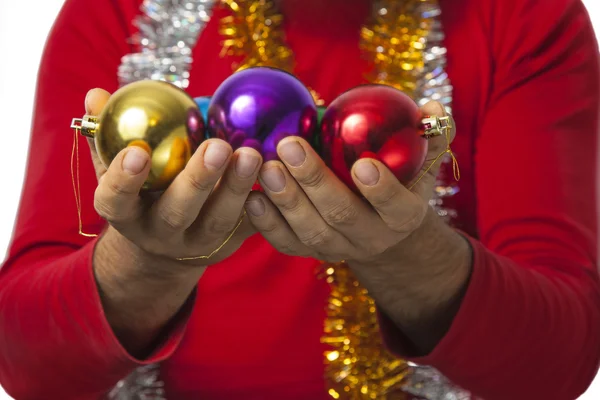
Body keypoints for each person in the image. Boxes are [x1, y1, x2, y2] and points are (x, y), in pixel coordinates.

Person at [0, 0, 599, 399]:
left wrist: (410, 256)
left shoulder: (523, 15)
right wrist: (141, 266)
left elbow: (559, 364)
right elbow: (24, 363)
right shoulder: (121, 13)